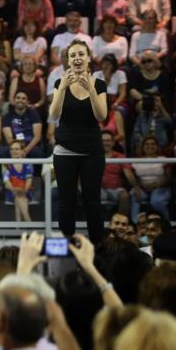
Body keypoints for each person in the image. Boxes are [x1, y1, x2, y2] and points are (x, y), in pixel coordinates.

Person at [48, 40, 108, 242]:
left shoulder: (99, 84)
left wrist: (91, 90)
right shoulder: (59, 83)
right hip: (65, 151)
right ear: (68, 60)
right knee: (67, 203)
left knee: (93, 202)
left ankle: (98, 248)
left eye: (81, 54)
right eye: (72, 55)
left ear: (88, 58)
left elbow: (101, 116)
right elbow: (54, 115)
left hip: (92, 151)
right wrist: (63, 88)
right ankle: (66, 249)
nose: (77, 58)